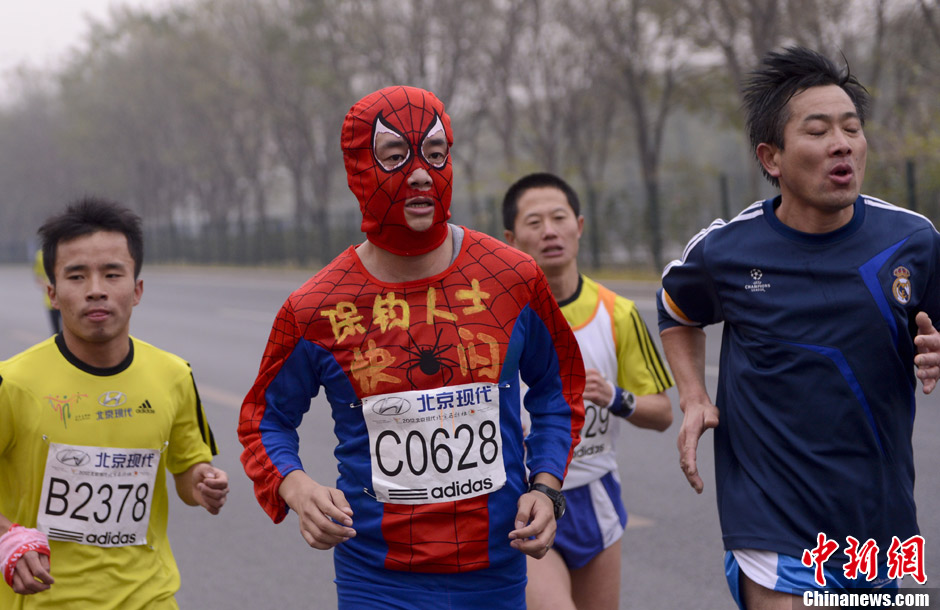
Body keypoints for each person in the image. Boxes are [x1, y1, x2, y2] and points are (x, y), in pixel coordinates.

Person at [238, 86, 586, 609]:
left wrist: (545, 486)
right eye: (396, 156)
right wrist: (295, 486)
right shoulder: (314, 307)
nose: (421, 172)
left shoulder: (514, 278)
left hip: (497, 567)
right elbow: (264, 418)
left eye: (436, 153)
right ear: (359, 167)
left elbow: (558, 392)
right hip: (376, 576)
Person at [657, 46, 940, 609]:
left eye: (851, 128)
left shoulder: (912, 241)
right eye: (818, 131)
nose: (842, 144)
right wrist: (693, 396)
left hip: (876, 516)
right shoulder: (727, 251)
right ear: (772, 158)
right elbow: (676, 310)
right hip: (770, 514)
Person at [0, 198, 229, 609]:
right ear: (52, 293)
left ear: (136, 288)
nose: (96, 290)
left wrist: (201, 483)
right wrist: (7, 536)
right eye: (76, 276)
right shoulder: (12, 383)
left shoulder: (173, 375)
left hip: (150, 597)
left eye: (112, 273)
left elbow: (187, 472)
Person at [502, 172, 674, 610]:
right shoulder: (499, 320)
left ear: (579, 226)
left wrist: (616, 397)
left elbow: (662, 413)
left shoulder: (616, 313)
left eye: (559, 218)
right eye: (535, 222)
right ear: (511, 237)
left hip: (595, 498)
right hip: (526, 498)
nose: (550, 231)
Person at [32, 248, 61, 335]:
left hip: (67, 298)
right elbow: (38, 277)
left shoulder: (66, 250)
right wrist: (46, 286)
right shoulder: (40, 255)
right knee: (56, 332)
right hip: (50, 300)